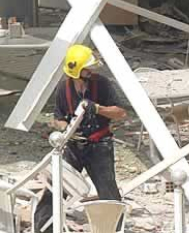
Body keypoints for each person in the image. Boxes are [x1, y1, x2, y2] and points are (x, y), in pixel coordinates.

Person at [34, 44, 127, 233]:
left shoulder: (102, 84)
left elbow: (120, 113)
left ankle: (114, 229)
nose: (91, 71)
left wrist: (98, 108)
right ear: (77, 71)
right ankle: (44, 228)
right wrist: (66, 129)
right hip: (74, 146)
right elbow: (58, 117)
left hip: (99, 145)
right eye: (87, 68)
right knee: (56, 189)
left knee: (108, 192)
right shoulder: (64, 87)